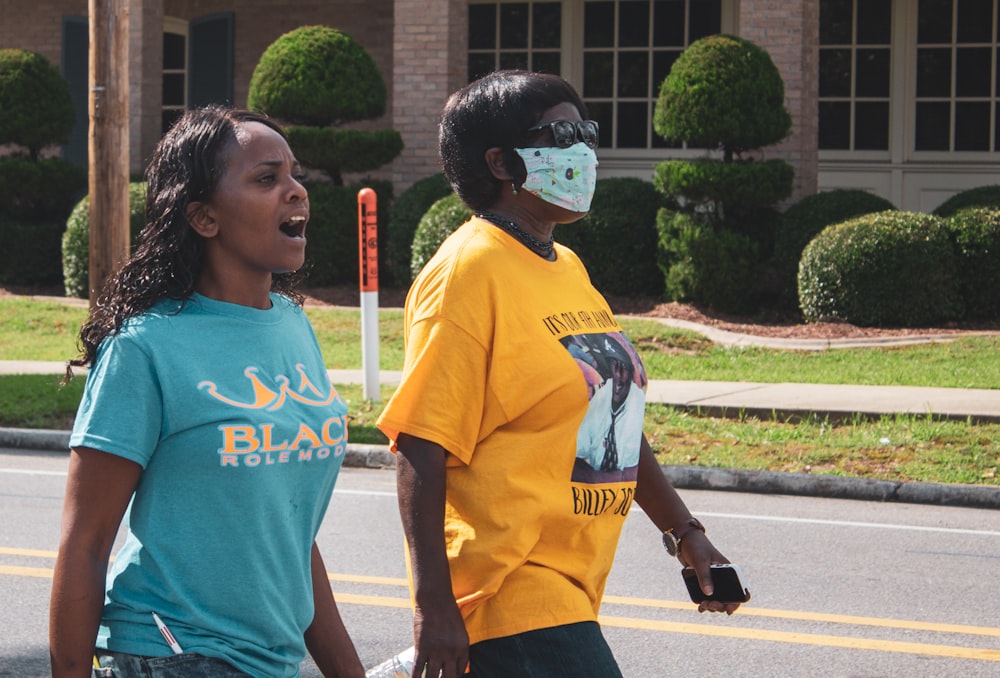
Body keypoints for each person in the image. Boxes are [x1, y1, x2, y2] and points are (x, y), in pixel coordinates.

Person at [376, 70, 743, 678]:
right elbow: (420, 442)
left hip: (573, 579)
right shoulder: (467, 271)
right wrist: (433, 606)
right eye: (561, 134)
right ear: (501, 162)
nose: (583, 150)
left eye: (587, 132)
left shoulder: (565, 265)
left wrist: (685, 534)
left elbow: (609, 413)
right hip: (510, 586)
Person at [49, 106, 365, 678]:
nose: (296, 192)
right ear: (203, 217)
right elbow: (86, 543)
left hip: (272, 662)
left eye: (295, 175)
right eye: (267, 179)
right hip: (171, 653)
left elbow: (287, 532)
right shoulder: (145, 347)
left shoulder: (293, 324)